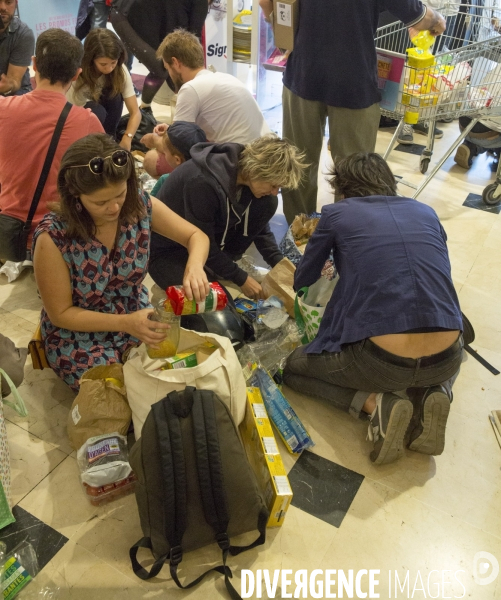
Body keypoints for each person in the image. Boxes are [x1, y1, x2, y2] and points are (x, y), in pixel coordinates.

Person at [283, 153, 463, 466]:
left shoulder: (336, 214)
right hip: (448, 357)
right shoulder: (426, 211)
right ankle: (435, 393)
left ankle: (375, 404)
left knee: (292, 369)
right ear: (389, 183)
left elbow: (304, 278)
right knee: (439, 335)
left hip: (380, 363)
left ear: (342, 189)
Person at [33, 133, 210, 390]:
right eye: (100, 202)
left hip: (136, 314)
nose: (115, 208)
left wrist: (194, 267)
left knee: (173, 379)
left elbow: (196, 236)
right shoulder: (53, 237)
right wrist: (125, 323)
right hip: (78, 333)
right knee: (118, 391)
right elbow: (61, 314)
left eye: (119, 194)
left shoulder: (139, 205)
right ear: (74, 195)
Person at [258, 0, 446, 224]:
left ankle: (298, 232)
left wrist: (283, 37)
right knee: (354, 172)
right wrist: (438, 20)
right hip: (353, 80)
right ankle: (345, 235)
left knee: (298, 163)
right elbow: (419, 16)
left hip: (303, 73)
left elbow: (265, 2)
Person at [149, 135, 307, 300]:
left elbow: (260, 231)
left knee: (268, 203)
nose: (275, 192)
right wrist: (240, 278)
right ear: (256, 170)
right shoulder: (203, 183)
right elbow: (203, 242)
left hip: (208, 245)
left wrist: (281, 266)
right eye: (273, 185)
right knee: (220, 310)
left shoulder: (246, 175)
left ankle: (224, 266)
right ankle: (218, 272)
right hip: (168, 251)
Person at [0, 28, 103, 258]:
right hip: (59, 236)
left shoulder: (3, 110)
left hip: (9, 232)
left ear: (34, 64)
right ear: (76, 74)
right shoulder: (87, 121)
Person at [141, 28, 270, 179]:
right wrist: (170, 129)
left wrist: (154, 140)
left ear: (175, 63)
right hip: (262, 155)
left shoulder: (191, 88)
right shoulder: (225, 77)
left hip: (239, 164)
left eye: (168, 68)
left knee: (152, 160)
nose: (169, 74)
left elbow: (178, 148)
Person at [110, 0, 209, 107]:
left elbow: (189, 40)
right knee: (160, 68)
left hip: (143, 18)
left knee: (164, 68)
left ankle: (144, 110)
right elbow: (193, 39)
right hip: (125, 15)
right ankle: (141, 111)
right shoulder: (199, 4)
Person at [66, 28, 141, 149]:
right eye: (103, 64)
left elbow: (135, 112)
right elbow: (69, 116)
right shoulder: (77, 72)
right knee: (97, 110)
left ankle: (109, 139)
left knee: (115, 96)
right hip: (81, 123)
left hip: (107, 120)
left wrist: (128, 138)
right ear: (90, 59)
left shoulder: (120, 71)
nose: (109, 68)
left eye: (113, 62)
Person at [149, 120, 207, 197]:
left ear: (177, 160)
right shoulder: (210, 177)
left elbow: (149, 204)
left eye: (165, 153)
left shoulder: (165, 180)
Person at [0, 0, 34, 96]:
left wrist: (8, 86)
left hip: (15, 94)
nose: (2, 7)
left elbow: (14, 81)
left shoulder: (23, 34)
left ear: (16, 4)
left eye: (8, 2)